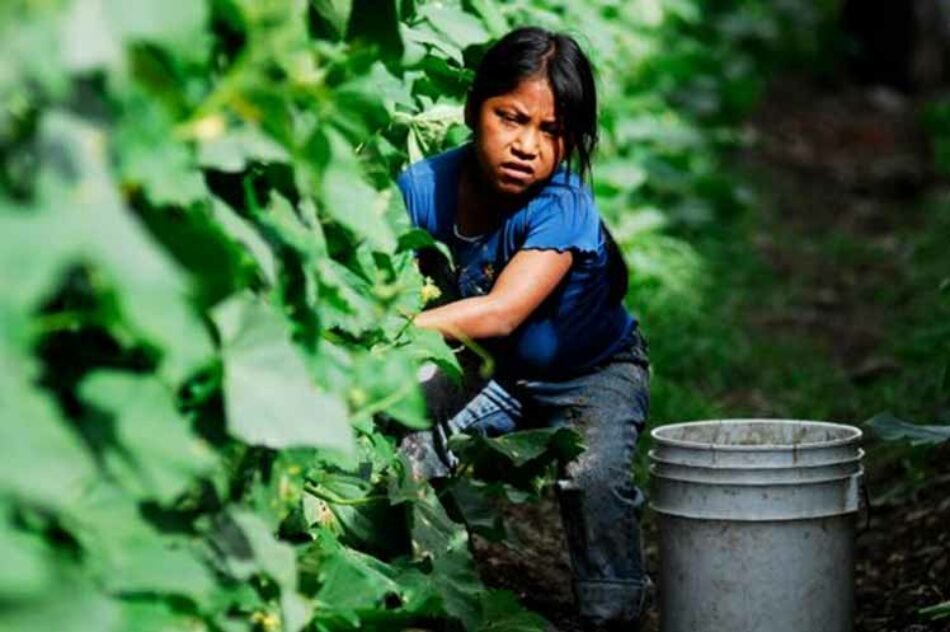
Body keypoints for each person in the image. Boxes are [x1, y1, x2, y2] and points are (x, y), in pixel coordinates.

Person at [395, 26, 652, 631]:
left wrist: (393, 331)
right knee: (409, 440)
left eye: (551, 132)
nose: (527, 146)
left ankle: (613, 612)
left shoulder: (563, 204)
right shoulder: (423, 189)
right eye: (510, 118)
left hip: (593, 374)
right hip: (493, 373)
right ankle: (421, 586)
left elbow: (502, 311)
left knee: (596, 475)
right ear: (471, 110)